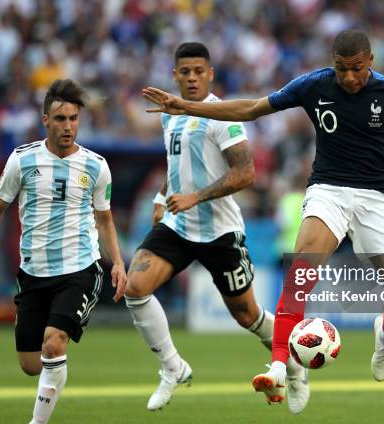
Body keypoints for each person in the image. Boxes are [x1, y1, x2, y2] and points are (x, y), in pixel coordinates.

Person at [142, 29, 384, 408]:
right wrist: (188, 106)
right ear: (333, 63)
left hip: (377, 198)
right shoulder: (313, 85)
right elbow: (251, 109)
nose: (348, 78)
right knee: (300, 276)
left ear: (371, 61)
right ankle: (278, 365)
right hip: (327, 191)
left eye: (357, 69)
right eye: (341, 69)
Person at [113, 42, 309, 414]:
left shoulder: (223, 115)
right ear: (175, 75)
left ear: (210, 74)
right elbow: (178, 165)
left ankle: (294, 369)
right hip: (179, 226)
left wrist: (195, 197)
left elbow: (246, 173)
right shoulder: (169, 114)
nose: (191, 78)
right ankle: (172, 367)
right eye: (184, 72)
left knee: (247, 315)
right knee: (135, 287)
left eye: (198, 72)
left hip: (220, 231)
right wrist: (161, 198)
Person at [0, 79, 127, 424]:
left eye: (74, 119)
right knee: (31, 364)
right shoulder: (22, 160)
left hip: (80, 268)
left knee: (53, 344)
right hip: (33, 273)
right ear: (45, 120)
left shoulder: (96, 166)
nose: (68, 126)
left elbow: (105, 220)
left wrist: (118, 263)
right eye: (60, 119)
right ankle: (55, 368)